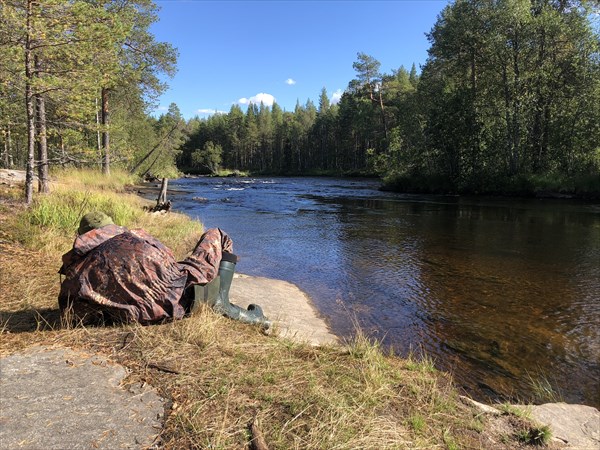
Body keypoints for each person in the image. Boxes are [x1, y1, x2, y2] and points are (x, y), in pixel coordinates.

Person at [58, 211, 270, 328]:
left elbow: (71, 311)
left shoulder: (76, 270)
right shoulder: (134, 236)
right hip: (180, 297)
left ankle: (221, 303)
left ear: (84, 235)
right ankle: (223, 304)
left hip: (136, 316)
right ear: (111, 226)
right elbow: (167, 258)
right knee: (217, 234)